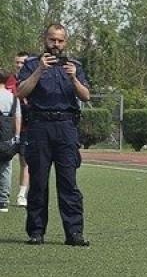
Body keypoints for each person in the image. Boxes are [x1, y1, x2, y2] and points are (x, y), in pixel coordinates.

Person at [14, 23, 92, 246]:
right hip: (40, 126)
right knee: (38, 182)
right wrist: (39, 70)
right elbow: (21, 92)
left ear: (65, 42)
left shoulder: (74, 65)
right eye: (51, 40)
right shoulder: (31, 65)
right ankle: (36, 232)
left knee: (68, 182)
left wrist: (74, 79)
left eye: (59, 41)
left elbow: (86, 96)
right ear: (44, 40)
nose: (55, 45)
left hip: (66, 126)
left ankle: (74, 233)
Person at [0, 64, 20, 214]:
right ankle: (3, 200)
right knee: (6, 168)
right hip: (6, 135)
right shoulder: (13, 97)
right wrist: (17, 135)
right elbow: (17, 117)